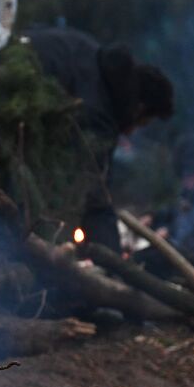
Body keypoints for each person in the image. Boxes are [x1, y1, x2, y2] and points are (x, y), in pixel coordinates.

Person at [25, 27, 176, 251]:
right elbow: (95, 196)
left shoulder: (88, 51)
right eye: (142, 123)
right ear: (139, 109)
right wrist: (113, 261)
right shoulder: (96, 112)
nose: (132, 132)